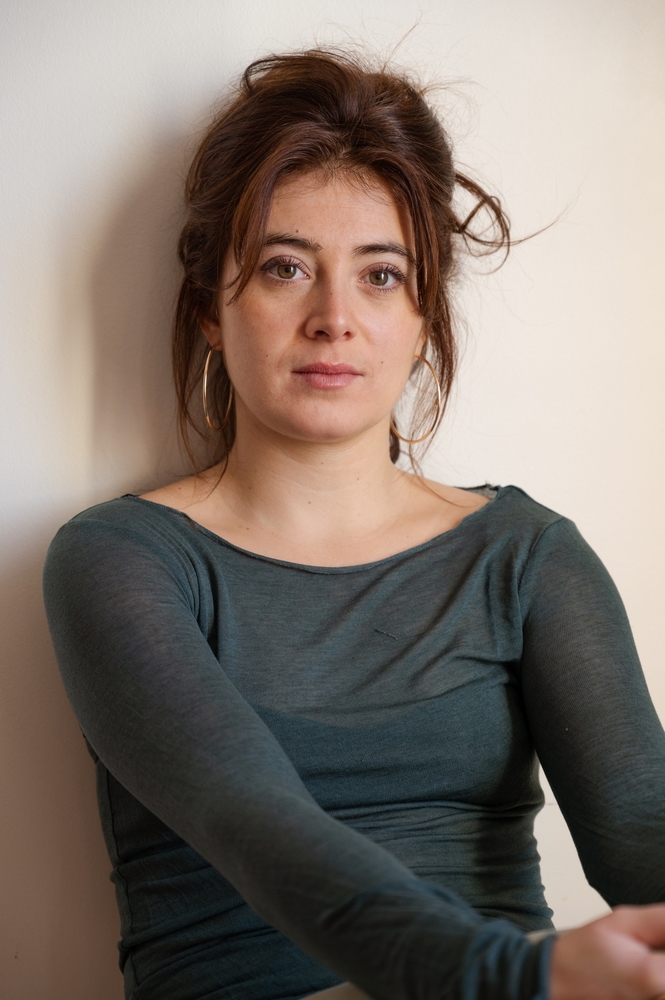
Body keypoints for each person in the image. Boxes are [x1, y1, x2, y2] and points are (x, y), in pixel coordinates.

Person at [43, 49, 665, 1000]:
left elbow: (643, 837)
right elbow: (260, 829)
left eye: (380, 275)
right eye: (285, 268)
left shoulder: (526, 556)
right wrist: (517, 976)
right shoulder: (121, 561)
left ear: (423, 316)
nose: (333, 317)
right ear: (210, 307)